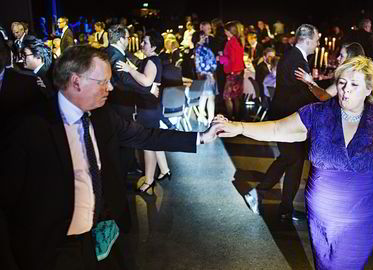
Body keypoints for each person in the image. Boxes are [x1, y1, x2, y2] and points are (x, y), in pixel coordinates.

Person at [215, 55, 373, 269]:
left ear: (369, 88)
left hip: (362, 215)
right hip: (322, 217)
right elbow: (277, 128)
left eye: (354, 85)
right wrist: (239, 127)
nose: (345, 91)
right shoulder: (318, 113)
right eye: (342, 83)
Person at [0, 45, 219, 270]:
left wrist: (201, 137)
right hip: (53, 248)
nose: (110, 87)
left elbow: (146, 136)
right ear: (76, 81)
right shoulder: (30, 127)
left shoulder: (103, 116)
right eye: (103, 81)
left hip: (101, 237)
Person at [242, 24, 320, 221]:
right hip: (287, 118)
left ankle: (281, 206)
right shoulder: (296, 60)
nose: (317, 44)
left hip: (287, 117)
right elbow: (304, 93)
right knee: (293, 159)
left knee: (290, 159)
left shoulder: (294, 56)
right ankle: (276, 203)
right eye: (317, 40)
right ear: (308, 39)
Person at [115, 31, 176, 193]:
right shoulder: (151, 59)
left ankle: (149, 180)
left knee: (147, 144)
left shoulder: (152, 60)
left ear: (154, 47)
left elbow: (146, 81)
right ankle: (164, 170)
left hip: (148, 108)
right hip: (150, 107)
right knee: (153, 139)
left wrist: (129, 69)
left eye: (145, 43)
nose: (142, 44)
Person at [294, 42, 365, 101]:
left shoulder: (347, 76)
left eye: (341, 56)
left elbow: (323, 96)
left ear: (350, 59)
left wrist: (310, 82)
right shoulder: (357, 73)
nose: (338, 58)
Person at [218, 21, 245, 120]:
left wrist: (220, 58)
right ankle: (236, 118)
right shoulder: (239, 41)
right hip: (239, 72)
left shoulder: (230, 42)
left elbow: (230, 59)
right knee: (236, 97)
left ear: (229, 31)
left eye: (225, 30)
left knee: (227, 97)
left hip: (233, 73)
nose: (224, 32)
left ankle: (230, 118)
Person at [194, 30, 218, 126]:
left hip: (207, 74)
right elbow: (201, 64)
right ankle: (210, 119)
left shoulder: (201, 48)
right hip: (207, 74)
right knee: (210, 97)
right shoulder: (200, 49)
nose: (205, 38)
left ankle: (203, 116)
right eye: (202, 36)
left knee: (205, 96)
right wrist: (209, 74)